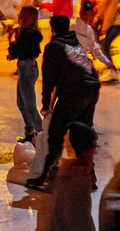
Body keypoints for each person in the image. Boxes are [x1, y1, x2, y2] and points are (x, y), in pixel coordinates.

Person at [26, 15, 102, 191]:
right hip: (91, 89)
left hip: (75, 93)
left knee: (56, 134)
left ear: (52, 29)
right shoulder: (75, 44)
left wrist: (46, 104)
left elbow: (49, 79)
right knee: (82, 133)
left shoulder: (53, 47)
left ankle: (45, 178)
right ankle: (91, 179)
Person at [7, 5, 43, 144]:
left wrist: (11, 40)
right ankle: (30, 132)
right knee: (21, 103)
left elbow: (16, 51)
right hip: (28, 67)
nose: (20, 17)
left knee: (29, 105)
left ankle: (41, 135)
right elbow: (25, 51)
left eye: (22, 15)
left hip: (27, 69)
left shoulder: (27, 33)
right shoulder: (32, 33)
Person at [73, 0, 119, 82]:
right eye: (85, 14)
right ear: (80, 14)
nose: (87, 17)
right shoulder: (73, 28)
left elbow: (94, 49)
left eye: (89, 14)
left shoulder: (88, 29)